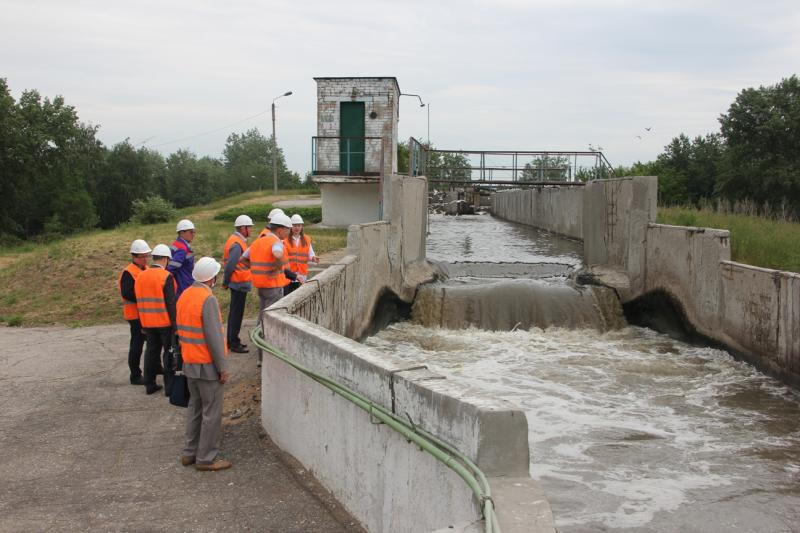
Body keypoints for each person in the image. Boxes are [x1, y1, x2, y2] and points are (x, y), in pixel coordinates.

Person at [177, 257, 232, 471]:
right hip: (207, 365)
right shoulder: (207, 299)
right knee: (212, 412)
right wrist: (223, 368)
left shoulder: (185, 295)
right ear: (212, 278)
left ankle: (189, 453)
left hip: (189, 362)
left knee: (195, 408)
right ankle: (206, 458)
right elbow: (214, 338)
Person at [242, 212, 292, 365]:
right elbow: (277, 254)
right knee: (270, 323)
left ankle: (260, 357)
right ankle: (266, 359)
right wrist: (277, 269)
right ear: (280, 229)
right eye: (288, 229)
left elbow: (242, 259)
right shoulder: (276, 242)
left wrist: (256, 270)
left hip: (261, 286)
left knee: (262, 320)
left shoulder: (258, 241)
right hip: (273, 287)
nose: (289, 232)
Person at [135, 244, 178, 395]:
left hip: (147, 322)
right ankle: (169, 388)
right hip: (164, 322)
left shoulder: (141, 276)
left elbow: (139, 301)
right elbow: (171, 303)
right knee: (168, 353)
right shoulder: (166, 277)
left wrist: (141, 322)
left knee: (151, 353)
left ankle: (149, 384)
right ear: (166, 259)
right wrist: (176, 325)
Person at [118, 239, 151, 385]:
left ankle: (155, 368)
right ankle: (135, 375)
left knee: (151, 344)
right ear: (134, 256)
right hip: (135, 316)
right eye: (142, 256)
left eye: (146, 256)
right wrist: (144, 295)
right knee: (137, 345)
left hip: (146, 314)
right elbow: (127, 293)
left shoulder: (146, 269)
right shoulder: (128, 272)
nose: (145, 259)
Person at [222, 215, 254, 353]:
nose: (251, 230)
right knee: (236, 314)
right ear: (243, 228)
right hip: (238, 283)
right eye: (250, 227)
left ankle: (231, 341)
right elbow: (230, 266)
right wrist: (225, 282)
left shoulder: (237, 241)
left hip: (239, 283)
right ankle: (234, 343)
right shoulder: (236, 244)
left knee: (234, 314)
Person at [283, 214, 319, 296]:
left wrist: (313, 258)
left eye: (299, 225)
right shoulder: (284, 240)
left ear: (302, 227)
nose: (297, 228)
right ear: (290, 227)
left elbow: (310, 254)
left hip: (302, 274)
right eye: (294, 225)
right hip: (289, 274)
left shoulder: (306, 239)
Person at [169, 219, 196, 297]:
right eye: (191, 232)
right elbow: (170, 269)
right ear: (181, 232)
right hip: (183, 286)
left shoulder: (177, 244)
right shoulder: (182, 249)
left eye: (194, 232)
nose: (193, 234)